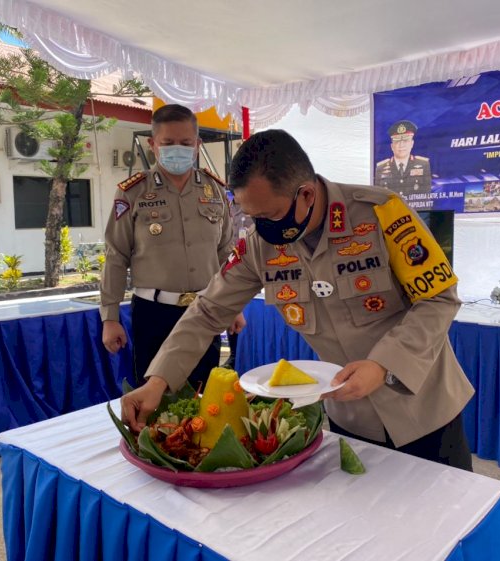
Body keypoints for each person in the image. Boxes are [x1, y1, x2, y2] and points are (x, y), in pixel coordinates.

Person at [121, 129, 474, 470]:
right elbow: (207, 311)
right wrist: (158, 382)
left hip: (425, 409)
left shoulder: (381, 213)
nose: (262, 228)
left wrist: (382, 364)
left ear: (306, 194)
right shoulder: (260, 246)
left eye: (270, 215)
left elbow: (439, 299)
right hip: (350, 416)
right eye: (252, 216)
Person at [100, 103, 245, 388]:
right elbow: (115, 256)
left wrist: (233, 306)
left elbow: (227, 252)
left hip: (205, 310)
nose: (177, 149)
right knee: (154, 399)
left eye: (185, 142)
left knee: (203, 397)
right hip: (153, 314)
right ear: (153, 144)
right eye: (168, 143)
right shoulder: (133, 192)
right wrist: (110, 318)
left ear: (197, 144)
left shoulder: (214, 190)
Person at [220, 193, 253, 370]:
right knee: (229, 309)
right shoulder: (225, 206)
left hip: (251, 267)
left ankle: (239, 355)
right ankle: (233, 355)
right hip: (230, 265)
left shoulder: (254, 205)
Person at [375, 120, 432, 196]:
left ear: (412, 143)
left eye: (405, 141)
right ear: (392, 146)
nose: (401, 145)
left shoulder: (424, 164)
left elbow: (426, 197)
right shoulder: (380, 168)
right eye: (397, 141)